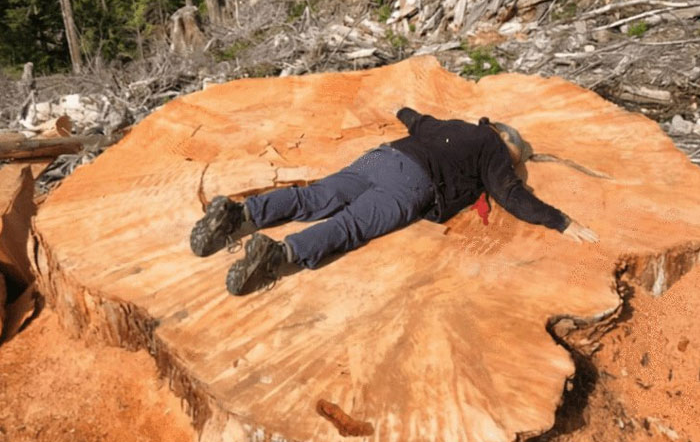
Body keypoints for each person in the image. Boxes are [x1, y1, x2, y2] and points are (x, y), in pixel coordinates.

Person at [189, 108, 598, 295]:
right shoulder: (493, 147)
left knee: (314, 196)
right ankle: (281, 253)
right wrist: (561, 221)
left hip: (381, 157)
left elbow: (419, 120)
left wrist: (402, 110)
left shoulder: (456, 125)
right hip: (413, 182)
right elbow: (511, 195)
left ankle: (240, 213)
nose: (515, 165)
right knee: (352, 225)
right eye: (517, 157)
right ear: (506, 139)